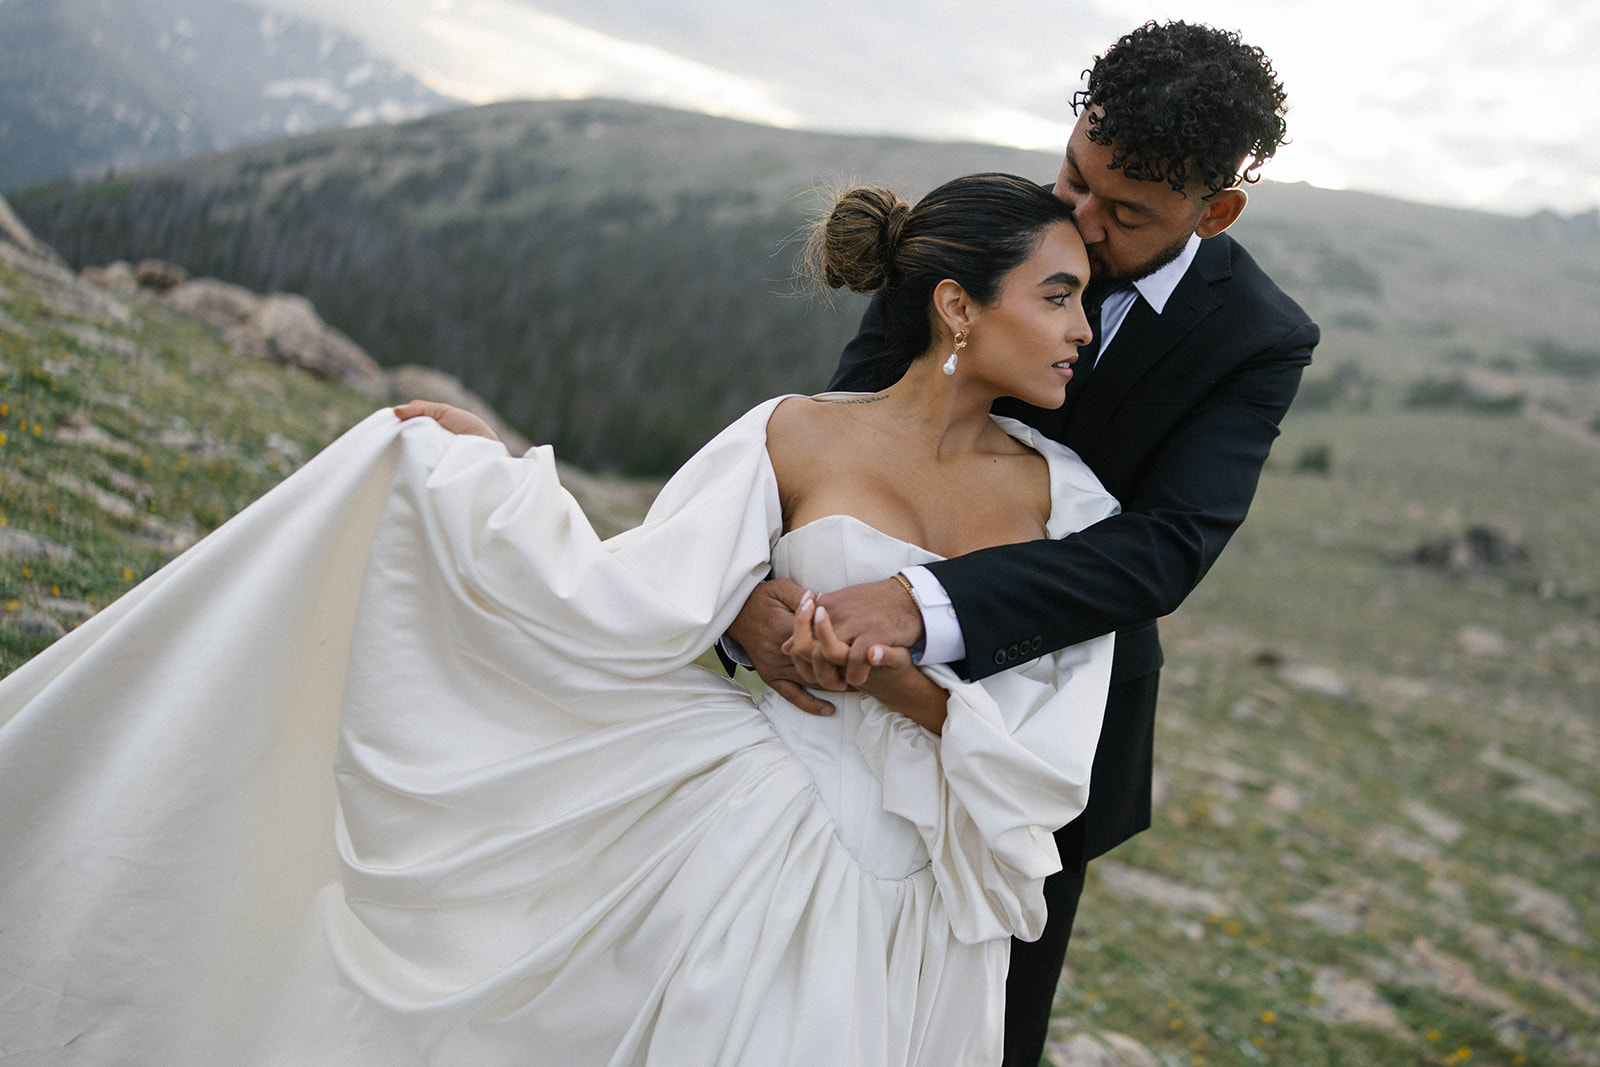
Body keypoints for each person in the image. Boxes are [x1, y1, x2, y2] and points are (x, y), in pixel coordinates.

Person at [1, 174, 1123, 1065]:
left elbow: (1048, 759)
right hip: (747, 839)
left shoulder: (1075, 507)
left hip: (927, 909)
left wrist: (895, 678)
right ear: (957, 304)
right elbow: (631, 594)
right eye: (1061, 293)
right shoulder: (794, 433)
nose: (1085, 327)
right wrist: (478, 475)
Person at [725, 22, 1319, 1065]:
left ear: (1213, 211)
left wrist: (923, 604)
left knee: (984, 1033)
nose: (1079, 225)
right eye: (1073, 176)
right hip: (821, 722)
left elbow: (1164, 548)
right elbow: (851, 418)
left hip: (1045, 734)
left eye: (1124, 212)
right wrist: (745, 594)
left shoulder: (1258, 336)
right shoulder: (999, 232)